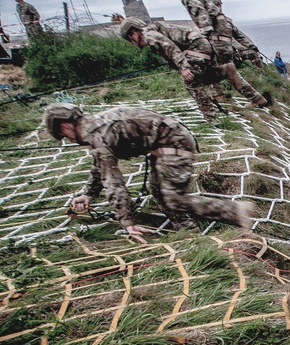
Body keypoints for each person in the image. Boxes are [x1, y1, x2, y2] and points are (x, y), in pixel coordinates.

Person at [44, 104, 253, 243]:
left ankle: (237, 211)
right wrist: (88, 193)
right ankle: (191, 235)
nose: (69, 141)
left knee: (174, 197)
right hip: (161, 144)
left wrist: (127, 222)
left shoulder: (97, 136)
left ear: (65, 126)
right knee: (158, 190)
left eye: (64, 136)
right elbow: (100, 166)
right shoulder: (95, 130)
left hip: (174, 142)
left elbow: (113, 183)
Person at [120, 18, 269, 122]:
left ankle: (212, 119)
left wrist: (183, 68)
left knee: (192, 83)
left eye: (130, 38)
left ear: (134, 32)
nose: (132, 42)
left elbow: (169, 46)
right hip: (202, 46)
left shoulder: (149, 34)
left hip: (196, 48)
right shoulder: (154, 30)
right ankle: (255, 97)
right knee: (214, 75)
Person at [181, 0, 261, 67]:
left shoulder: (226, 21)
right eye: (217, 5)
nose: (219, 7)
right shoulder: (205, 22)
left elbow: (239, 36)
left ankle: (261, 75)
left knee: (253, 54)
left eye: (220, 5)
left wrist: (251, 46)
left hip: (230, 53)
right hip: (214, 55)